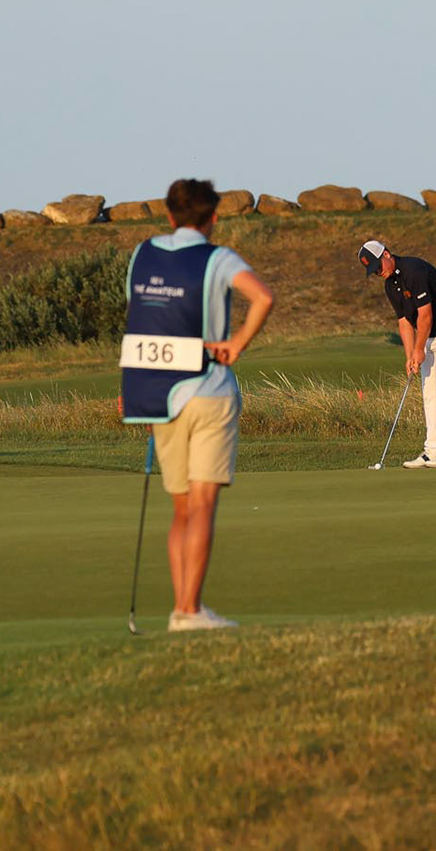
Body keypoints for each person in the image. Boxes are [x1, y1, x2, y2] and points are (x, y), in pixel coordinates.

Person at [121, 178, 275, 633]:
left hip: (159, 396)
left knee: (182, 509)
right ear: (213, 218)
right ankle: (188, 611)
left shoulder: (142, 254)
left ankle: (182, 608)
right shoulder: (218, 257)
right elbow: (263, 297)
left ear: (169, 215)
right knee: (203, 505)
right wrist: (237, 344)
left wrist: (136, 388)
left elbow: (140, 321)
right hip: (208, 391)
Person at [358, 239, 436, 468]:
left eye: (379, 266)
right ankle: (433, 449)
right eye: (374, 271)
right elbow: (404, 322)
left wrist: (419, 349)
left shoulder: (414, 270)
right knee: (429, 392)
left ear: (387, 254)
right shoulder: (390, 285)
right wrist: (410, 356)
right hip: (429, 335)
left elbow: (425, 315)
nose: (379, 272)